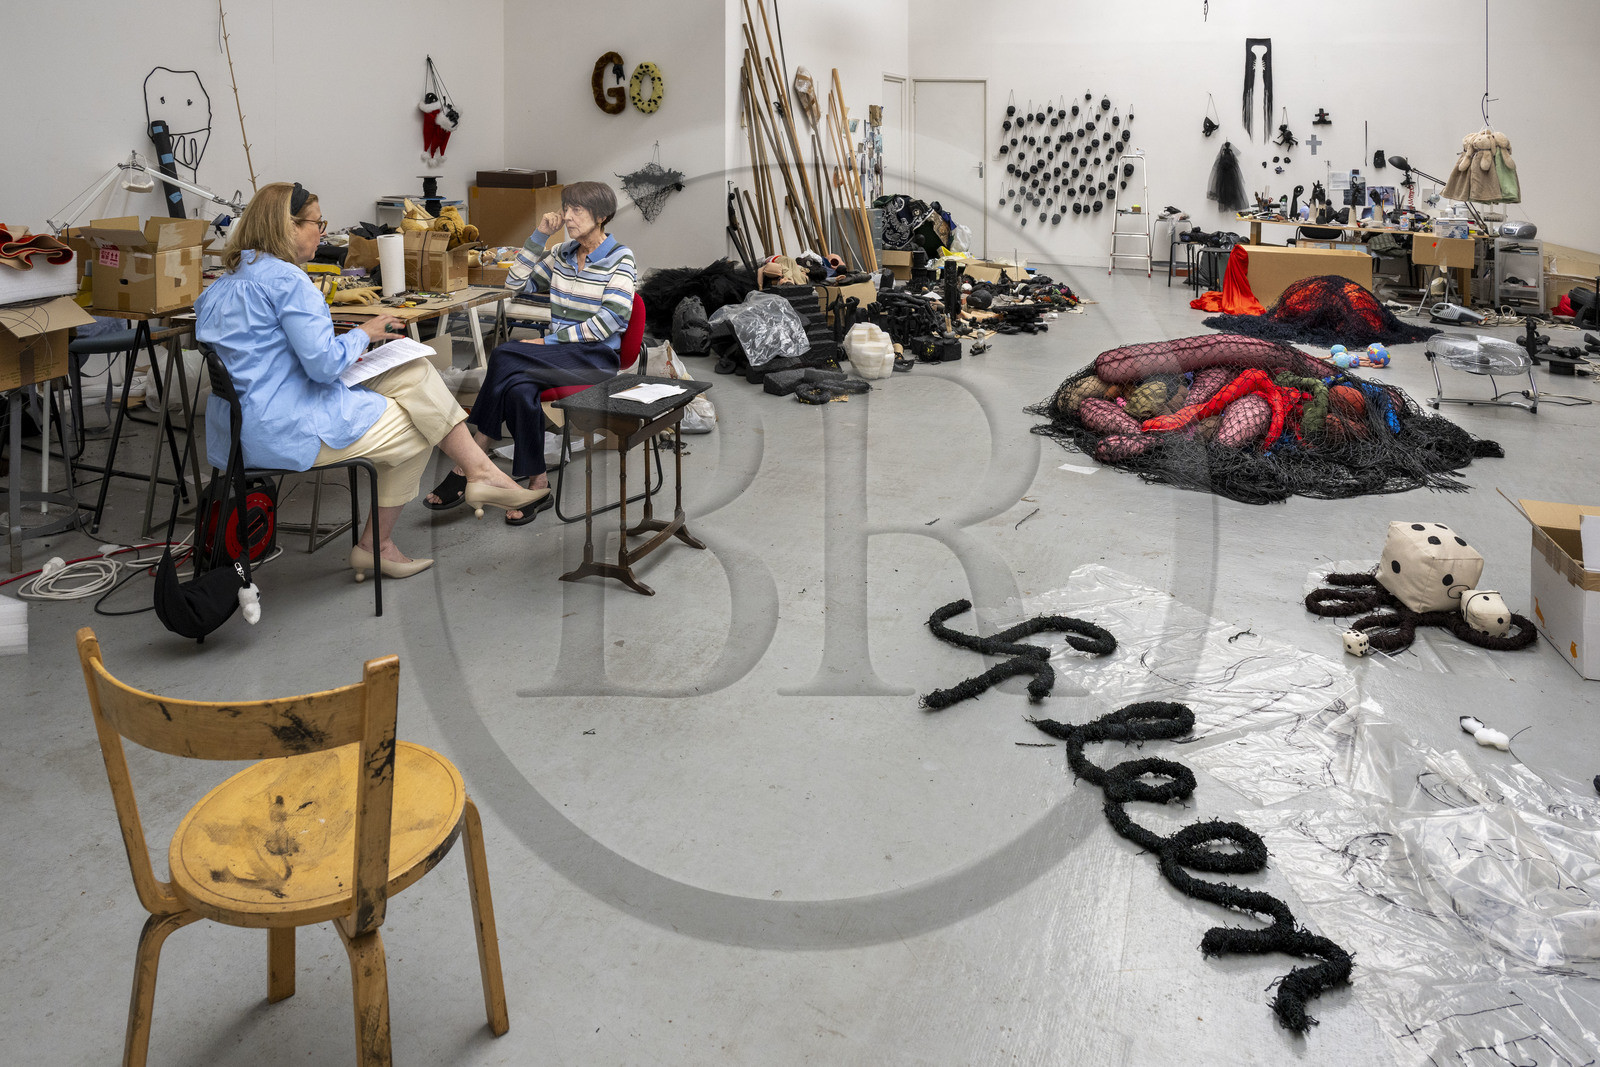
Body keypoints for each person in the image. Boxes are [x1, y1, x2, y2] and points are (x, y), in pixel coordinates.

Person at [195, 181, 546, 580]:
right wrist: (366, 333)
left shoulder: (221, 284)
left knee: (410, 370)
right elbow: (324, 367)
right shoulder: (289, 283)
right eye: (316, 222)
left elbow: (265, 354)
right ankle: (378, 545)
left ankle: (479, 473)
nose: (322, 232)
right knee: (418, 428)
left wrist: (356, 342)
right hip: (281, 432)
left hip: (234, 433)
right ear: (287, 226)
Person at [426, 181, 637, 524]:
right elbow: (514, 285)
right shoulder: (562, 255)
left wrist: (547, 342)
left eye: (577, 210)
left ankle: (471, 461)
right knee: (519, 389)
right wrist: (538, 236)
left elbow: (608, 322)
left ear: (601, 216)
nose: (567, 216)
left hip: (594, 359)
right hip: (556, 358)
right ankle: (537, 486)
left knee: (505, 355)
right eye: (566, 208)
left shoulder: (620, 258)